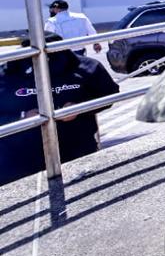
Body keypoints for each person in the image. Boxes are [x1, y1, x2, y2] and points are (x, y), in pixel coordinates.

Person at [0, 35, 119, 185]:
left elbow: (109, 94)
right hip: (17, 161)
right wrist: (21, 117)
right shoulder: (7, 74)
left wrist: (80, 107)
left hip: (77, 152)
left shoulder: (86, 67)